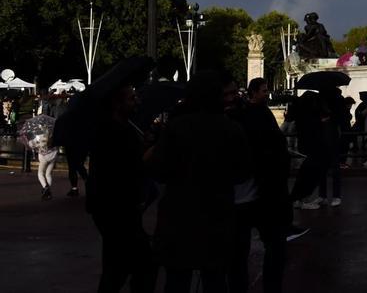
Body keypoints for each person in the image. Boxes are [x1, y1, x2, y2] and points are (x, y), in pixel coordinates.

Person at [148, 71, 252, 293]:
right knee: (215, 278)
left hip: (179, 212)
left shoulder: (176, 127)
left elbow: (159, 170)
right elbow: (243, 172)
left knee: (177, 279)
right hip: (218, 211)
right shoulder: (231, 128)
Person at [88, 80, 158, 293]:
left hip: (113, 206)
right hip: (117, 207)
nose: (137, 101)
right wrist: (154, 148)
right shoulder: (114, 131)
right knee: (141, 265)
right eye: (132, 98)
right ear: (117, 104)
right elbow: (134, 166)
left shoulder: (121, 127)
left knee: (116, 267)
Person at [228, 77, 291, 293]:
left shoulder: (226, 119)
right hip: (263, 193)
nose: (235, 96)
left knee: (237, 255)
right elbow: (279, 149)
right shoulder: (259, 115)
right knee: (273, 247)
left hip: (242, 196)